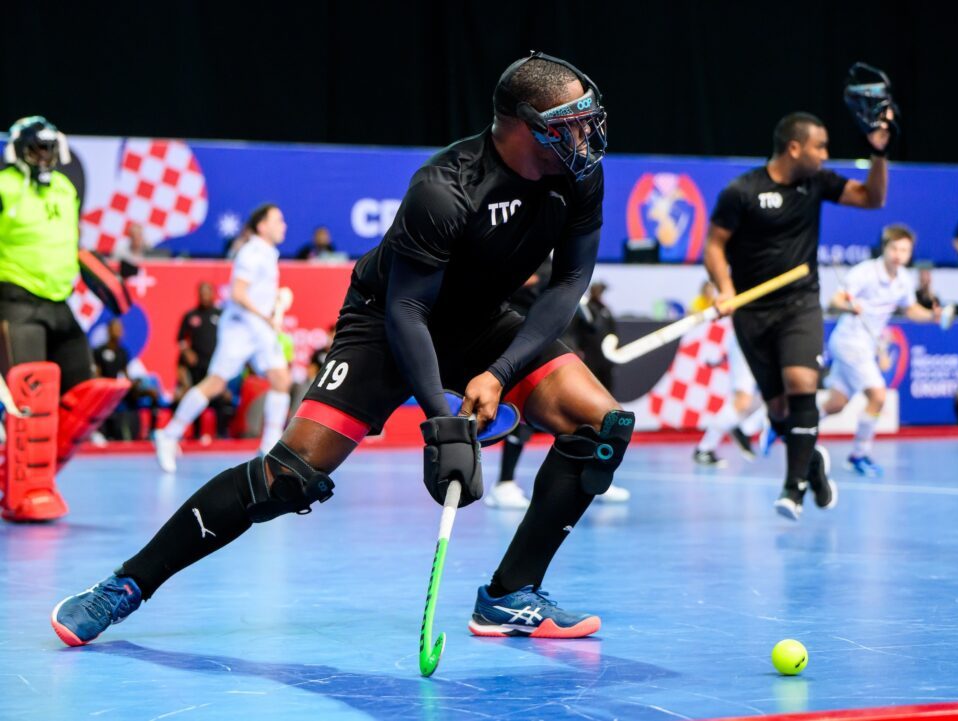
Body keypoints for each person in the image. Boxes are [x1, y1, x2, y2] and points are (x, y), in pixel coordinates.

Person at [51, 51, 633, 647]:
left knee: (600, 426)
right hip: (388, 322)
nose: (587, 136)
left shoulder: (580, 174)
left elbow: (568, 283)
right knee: (287, 476)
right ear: (520, 125)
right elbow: (408, 311)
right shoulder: (445, 189)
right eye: (571, 124)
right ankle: (125, 586)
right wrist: (442, 422)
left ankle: (510, 595)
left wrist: (500, 370)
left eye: (588, 120)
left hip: (485, 323)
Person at [704, 108, 894, 521]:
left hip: (800, 303)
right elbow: (714, 246)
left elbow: (873, 198)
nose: (826, 155)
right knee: (778, 410)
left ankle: (793, 488)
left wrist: (878, 152)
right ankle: (813, 466)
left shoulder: (816, 183)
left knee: (800, 382)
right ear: (794, 147)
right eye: (820, 146)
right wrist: (725, 290)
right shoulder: (741, 192)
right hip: (752, 311)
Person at [0, 116, 129, 521]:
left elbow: (71, 244)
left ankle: (28, 479)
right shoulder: (3, 185)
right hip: (16, 301)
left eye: (49, 147)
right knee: (28, 402)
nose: (44, 155)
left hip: (60, 301)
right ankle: (20, 493)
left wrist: (105, 279)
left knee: (87, 394)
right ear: (19, 149)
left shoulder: (65, 188)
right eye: (36, 147)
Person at [153, 204, 291, 471]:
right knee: (215, 384)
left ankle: (270, 447)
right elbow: (237, 294)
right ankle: (168, 434)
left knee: (281, 379)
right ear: (262, 226)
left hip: (259, 328)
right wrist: (267, 317)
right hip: (240, 328)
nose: (283, 225)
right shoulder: (251, 252)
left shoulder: (267, 254)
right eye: (278, 220)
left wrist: (275, 303)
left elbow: (258, 294)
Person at [485, 271, 629, 509]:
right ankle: (504, 483)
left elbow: (588, 324)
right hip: (526, 347)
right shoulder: (533, 261)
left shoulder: (560, 266)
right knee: (519, 421)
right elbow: (524, 280)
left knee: (583, 422)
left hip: (561, 352)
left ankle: (592, 479)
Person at [819, 225, 943, 475]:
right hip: (849, 341)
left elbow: (910, 310)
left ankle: (792, 425)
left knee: (836, 404)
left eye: (905, 250)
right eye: (894, 248)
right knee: (877, 396)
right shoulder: (865, 273)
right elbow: (835, 300)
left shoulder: (904, 280)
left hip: (866, 346)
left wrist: (932, 315)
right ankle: (858, 455)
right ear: (885, 248)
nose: (899, 254)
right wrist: (849, 307)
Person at [693, 318, 766, 467]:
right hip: (748, 340)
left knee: (774, 396)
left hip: (757, 343)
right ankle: (705, 448)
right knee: (742, 400)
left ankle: (745, 429)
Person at [176, 281, 233, 440]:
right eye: (201, 293)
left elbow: (230, 338)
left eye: (207, 292)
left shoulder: (221, 314)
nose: (204, 296)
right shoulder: (191, 316)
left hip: (216, 366)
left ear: (212, 294)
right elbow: (180, 339)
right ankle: (196, 434)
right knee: (197, 397)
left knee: (221, 400)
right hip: (197, 366)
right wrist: (187, 352)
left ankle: (221, 433)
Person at [94, 318, 161, 440]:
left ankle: (152, 432)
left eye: (120, 329)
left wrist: (134, 383)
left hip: (121, 390)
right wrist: (106, 385)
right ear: (109, 331)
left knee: (152, 393)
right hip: (107, 389)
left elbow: (125, 374)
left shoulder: (123, 352)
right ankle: (101, 433)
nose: (118, 332)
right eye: (115, 329)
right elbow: (96, 375)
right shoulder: (99, 351)